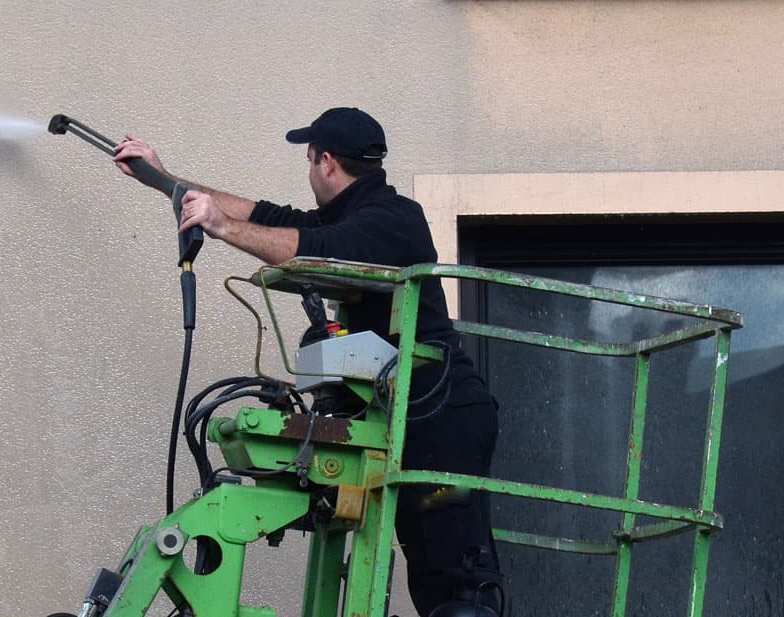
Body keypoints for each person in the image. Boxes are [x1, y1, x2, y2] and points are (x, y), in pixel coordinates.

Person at [112, 107, 505, 617]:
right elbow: (269, 217)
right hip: (405, 412)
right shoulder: (350, 215)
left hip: (441, 417)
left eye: (309, 158)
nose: (309, 168)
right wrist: (164, 180)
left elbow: (315, 251)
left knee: (457, 583)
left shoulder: (392, 219)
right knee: (434, 573)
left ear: (326, 162)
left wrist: (218, 225)